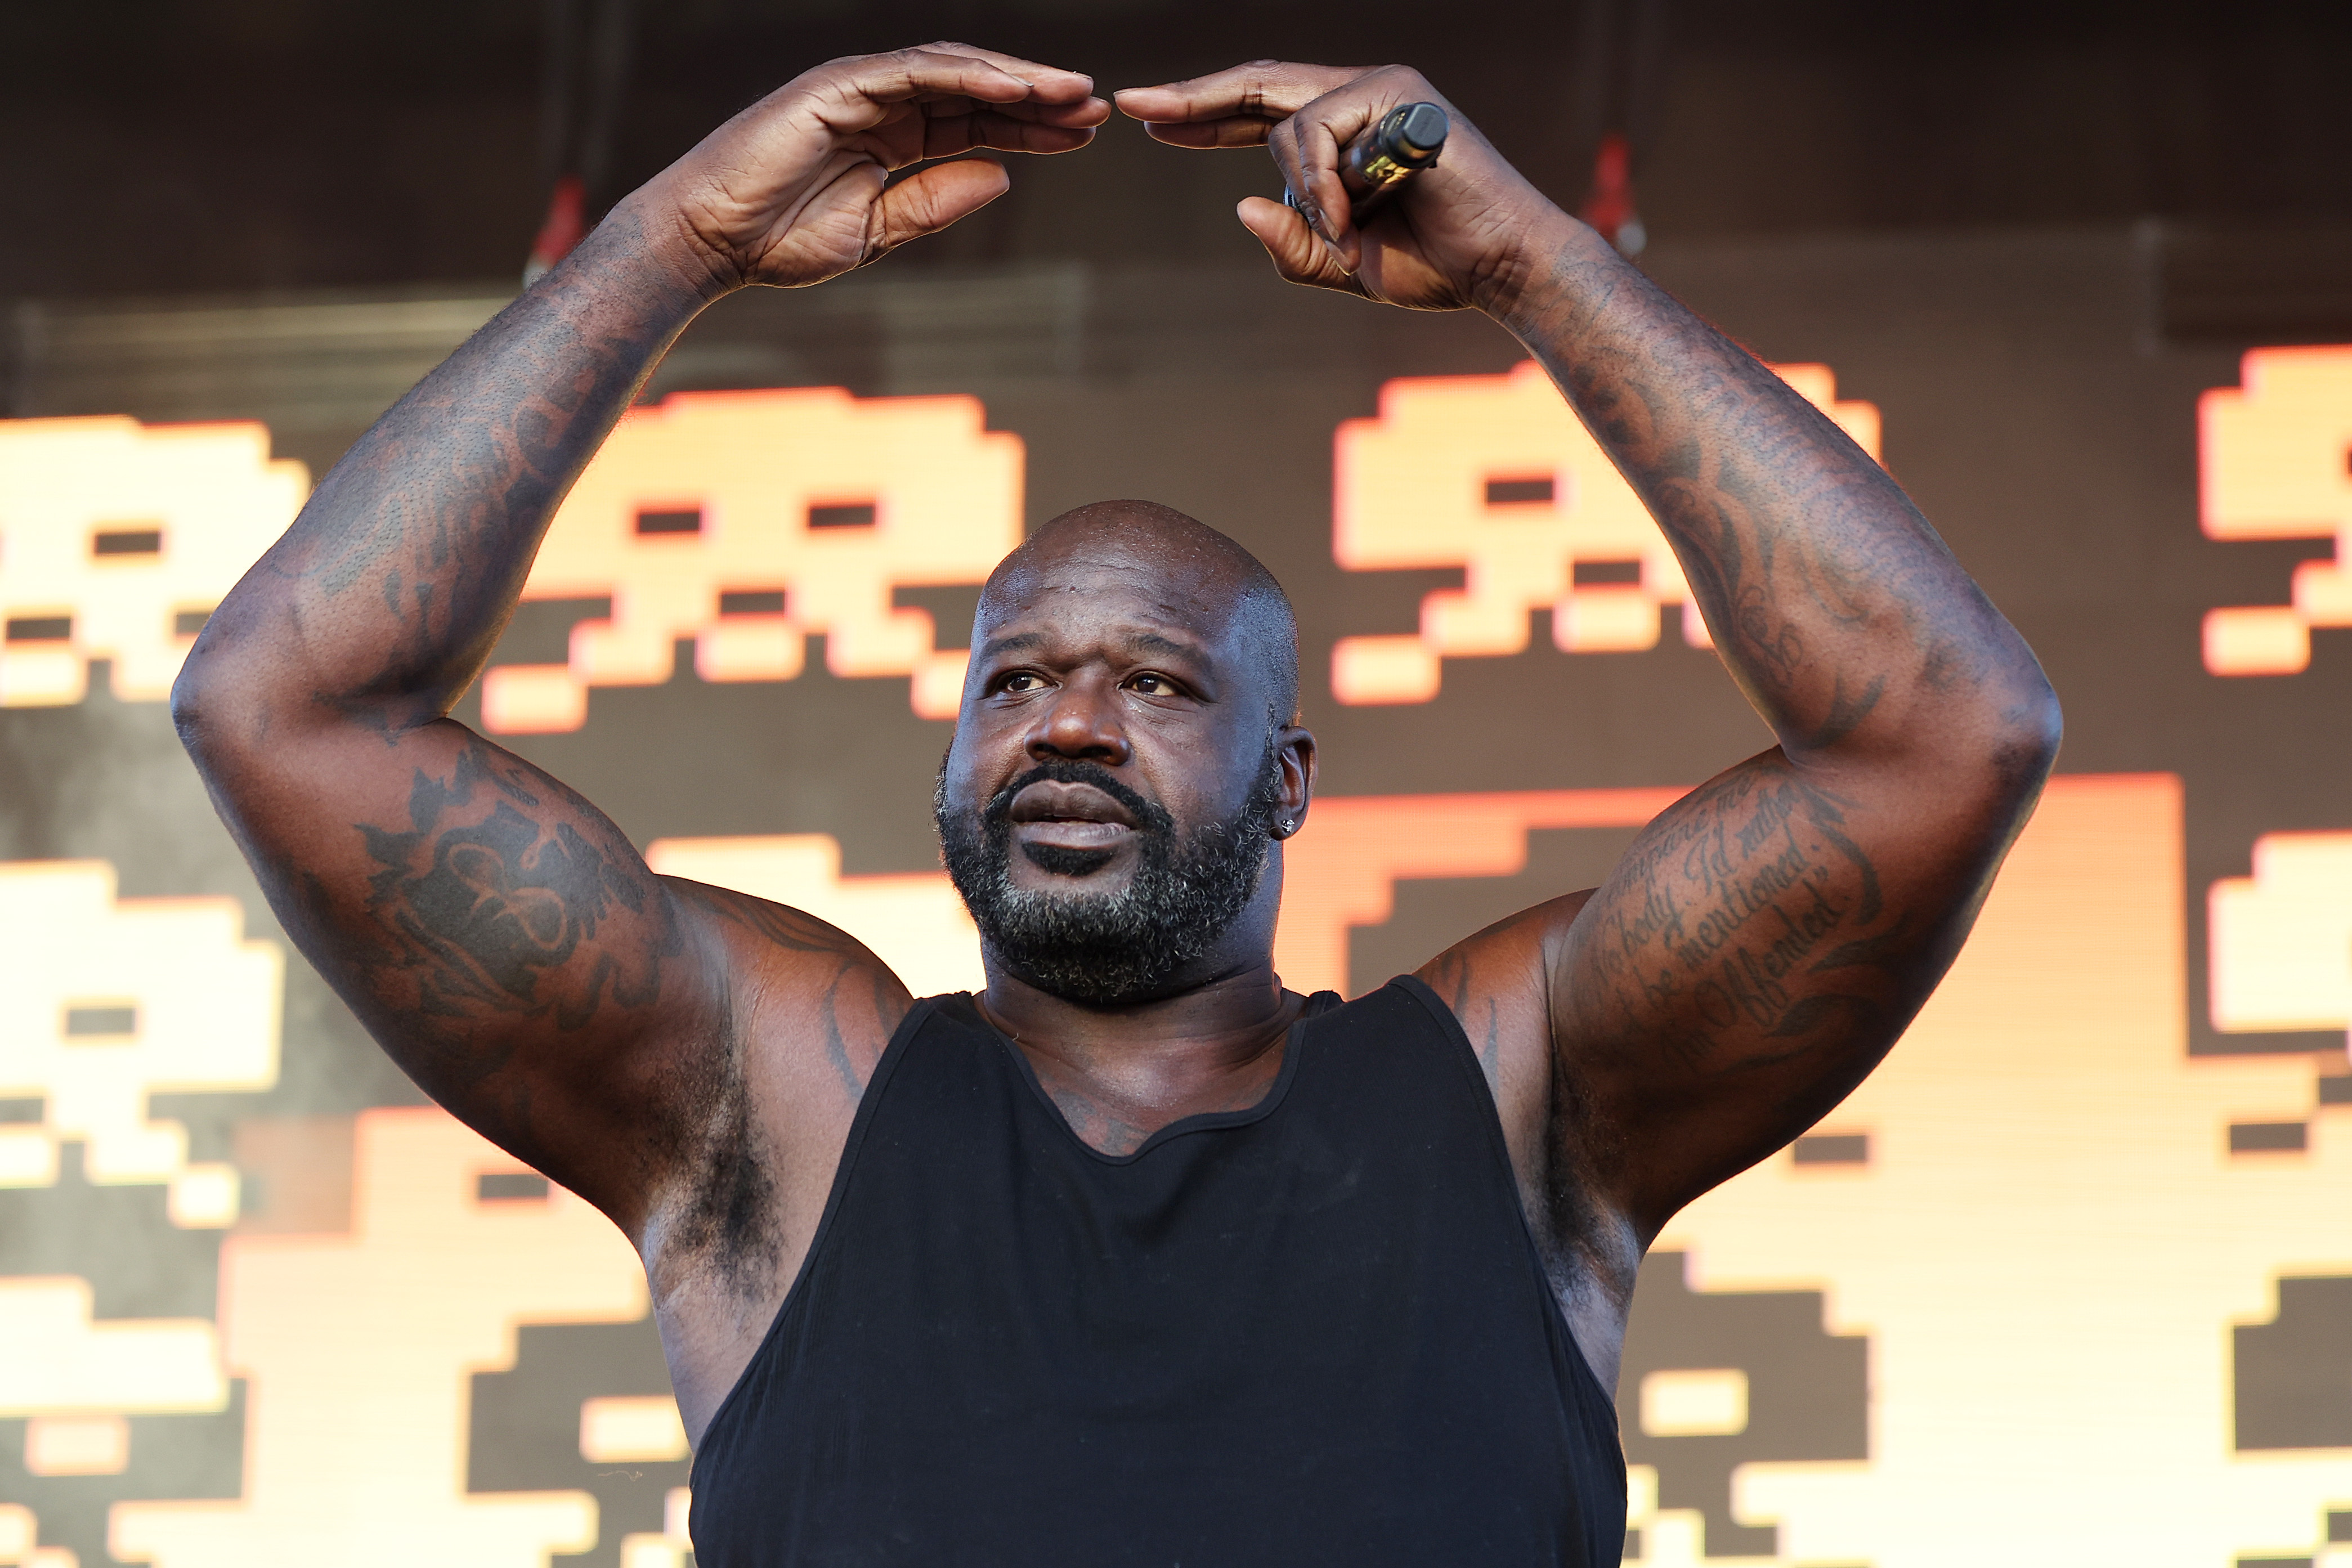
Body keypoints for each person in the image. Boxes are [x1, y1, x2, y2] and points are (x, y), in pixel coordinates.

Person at [173, 43, 2060, 1566]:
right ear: (948, 759)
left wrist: (1530, 265)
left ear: (1287, 775)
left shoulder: (1511, 1094)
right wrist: (678, 237)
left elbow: (1942, 732)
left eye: (1156, 681)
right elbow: (285, 703)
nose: (1068, 723)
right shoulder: (781, 1103)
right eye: (1012, 679)